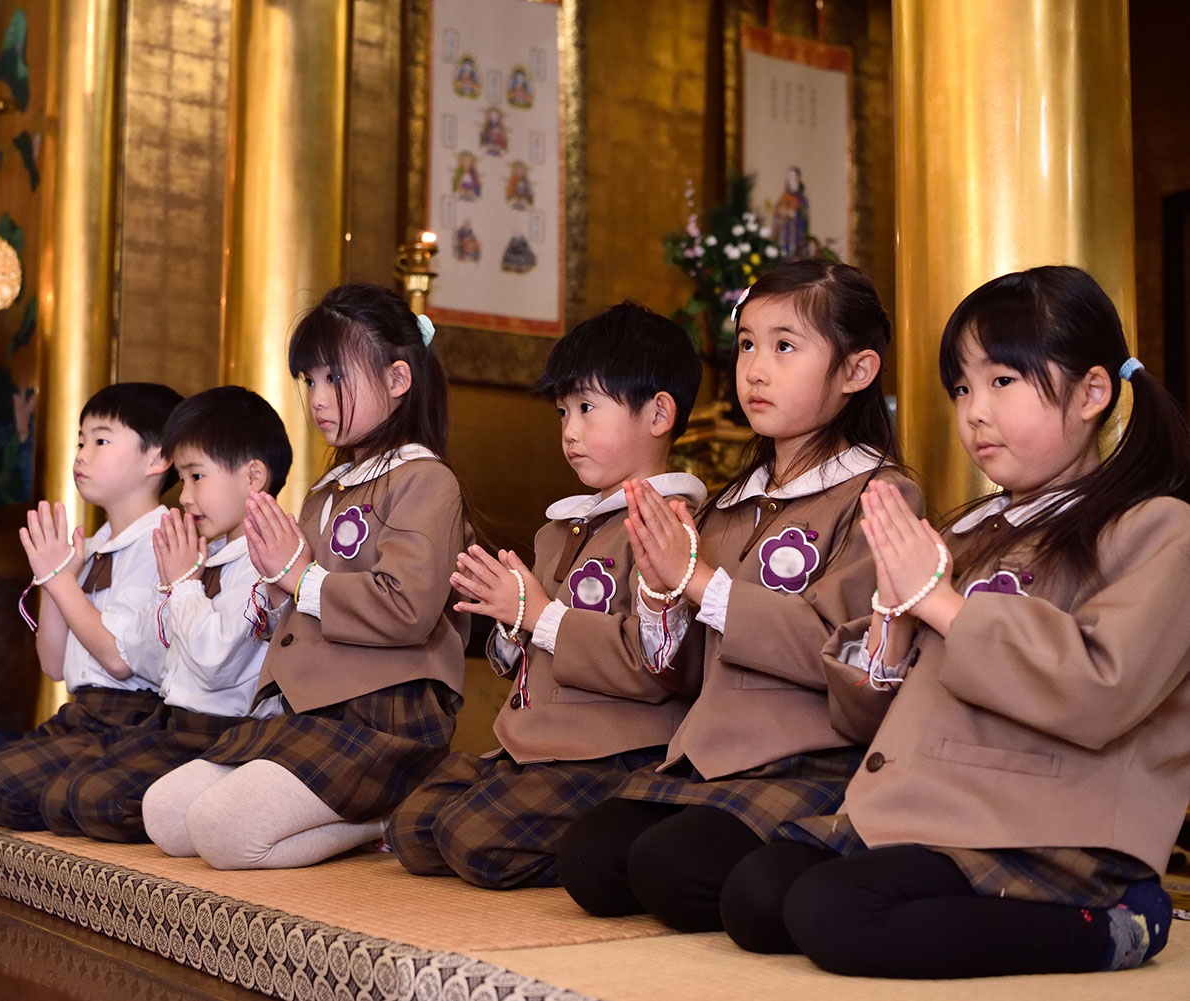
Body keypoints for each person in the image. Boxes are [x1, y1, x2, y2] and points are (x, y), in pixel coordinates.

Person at [719, 265, 1190, 977]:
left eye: (1002, 381)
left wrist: (939, 601)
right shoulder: (968, 530)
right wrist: (890, 620)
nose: (974, 410)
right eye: (963, 388)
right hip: (930, 806)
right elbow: (863, 717)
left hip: (1045, 819)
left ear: (1094, 392)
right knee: (754, 895)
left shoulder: (1156, 527)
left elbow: (1100, 685)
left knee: (836, 914)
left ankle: (1110, 925)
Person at [556, 260, 923, 930]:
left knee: (672, 870)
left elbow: (833, 651)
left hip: (808, 757)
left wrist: (698, 582)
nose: (755, 369)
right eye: (747, 343)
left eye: (785, 346)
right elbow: (683, 670)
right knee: (589, 859)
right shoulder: (729, 504)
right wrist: (663, 598)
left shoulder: (880, 497)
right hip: (707, 758)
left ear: (856, 370)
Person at [142, 283, 471, 869]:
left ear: (398, 380)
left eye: (335, 379)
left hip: (383, 715)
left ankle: (387, 809)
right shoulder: (326, 490)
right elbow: (295, 604)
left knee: (223, 832)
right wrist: (270, 596)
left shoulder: (426, 480)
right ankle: (366, 816)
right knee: (166, 813)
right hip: (308, 711)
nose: (318, 399)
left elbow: (407, 608)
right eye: (311, 380)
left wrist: (298, 574)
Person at [383, 303, 705, 889]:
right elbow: (523, 661)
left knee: (472, 841)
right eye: (563, 412)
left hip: (614, 751)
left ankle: (621, 839)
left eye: (587, 408)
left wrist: (539, 614)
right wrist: (506, 616)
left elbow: (660, 667)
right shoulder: (560, 529)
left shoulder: (671, 528)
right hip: (533, 743)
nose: (570, 431)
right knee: (413, 829)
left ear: (658, 413)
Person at [39, 386, 294, 841]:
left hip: (230, 732)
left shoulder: (266, 562)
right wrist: (174, 585)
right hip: (172, 722)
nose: (186, 497)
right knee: (65, 799)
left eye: (197, 477)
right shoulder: (197, 554)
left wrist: (181, 585)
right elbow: (142, 655)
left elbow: (215, 664)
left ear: (254, 476)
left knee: (97, 801)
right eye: (183, 478)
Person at [0, 382, 181, 830]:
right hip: (83, 713)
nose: (82, 455)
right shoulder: (94, 544)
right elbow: (52, 663)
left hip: (135, 718)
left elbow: (119, 659)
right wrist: (56, 578)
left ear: (158, 458)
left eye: (101, 441)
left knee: (5, 790)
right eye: (80, 442)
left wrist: (58, 579)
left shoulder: (164, 540)